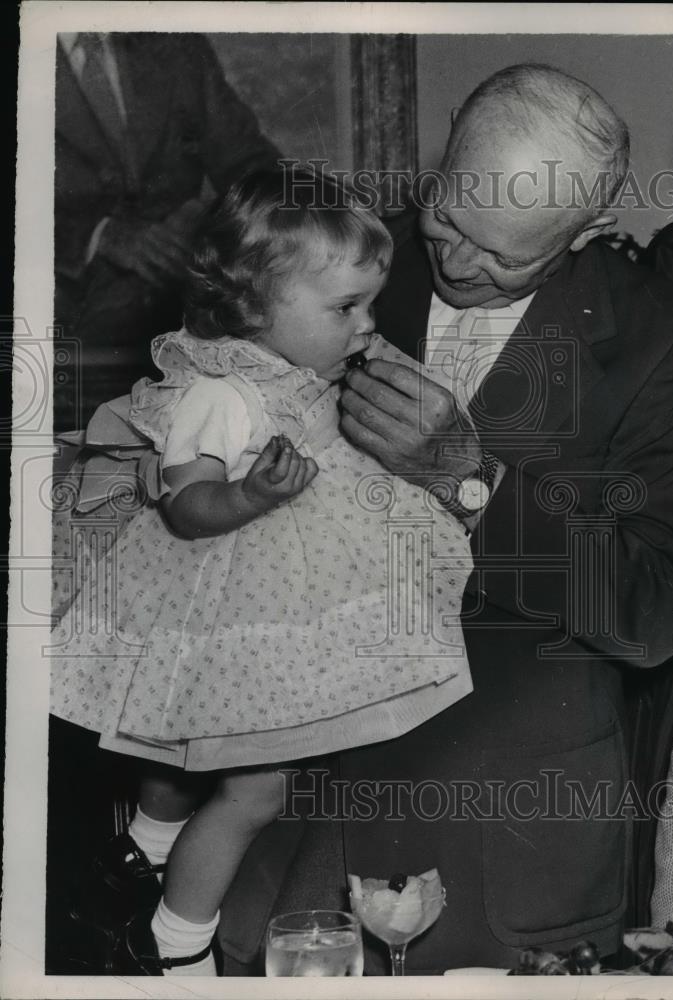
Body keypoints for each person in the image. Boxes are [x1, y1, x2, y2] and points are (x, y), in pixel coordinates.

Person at [217, 64, 673, 975]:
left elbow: (656, 614)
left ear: (588, 230)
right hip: (290, 808)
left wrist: (470, 484)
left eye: (505, 255)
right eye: (444, 218)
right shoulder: (329, 258)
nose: (456, 262)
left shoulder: (664, 332)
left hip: (502, 824)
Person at [50, 170, 476, 975]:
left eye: (368, 303)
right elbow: (187, 505)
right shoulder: (222, 392)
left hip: (274, 607)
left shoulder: (296, 363)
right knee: (255, 793)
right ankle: (172, 946)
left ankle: (134, 864)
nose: (365, 324)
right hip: (229, 606)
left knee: (193, 768)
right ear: (255, 308)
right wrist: (249, 492)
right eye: (343, 308)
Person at [54, 32, 280, 430]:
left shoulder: (176, 46)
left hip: (180, 304)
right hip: (57, 318)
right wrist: (98, 235)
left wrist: (207, 220)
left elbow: (254, 166)